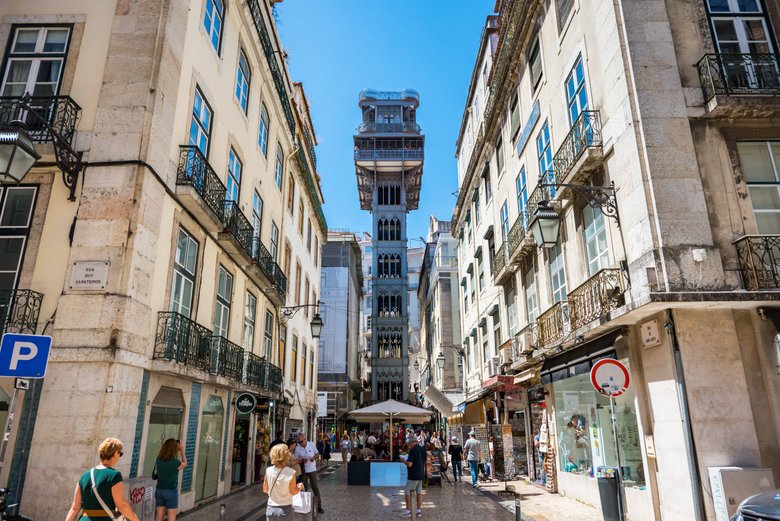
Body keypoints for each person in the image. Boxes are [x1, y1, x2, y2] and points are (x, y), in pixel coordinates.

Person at [65, 437, 141, 521]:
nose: (119, 457)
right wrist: (135, 519)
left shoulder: (84, 476)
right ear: (115, 453)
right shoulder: (114, 475)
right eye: (120, 454)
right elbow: (121, 505)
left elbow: (75, 508)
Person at [264, 443, 304, 519]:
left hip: (270, 509)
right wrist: (299, 487)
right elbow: (293, 492)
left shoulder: (268, 470)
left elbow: (265, 489)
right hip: (285, 509)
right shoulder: (291, 472)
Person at [154, 438, 187, 521]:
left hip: (159, 490)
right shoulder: (175, 462)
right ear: (175, 449)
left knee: (159, 516)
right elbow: (185, 464)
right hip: (171, 492)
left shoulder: (159, 460)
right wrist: (182, 450)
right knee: (171, 518)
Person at [294, 433, 325, 514]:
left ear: (305, 439)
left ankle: (319, 506)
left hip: (312, 469)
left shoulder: (311, 444)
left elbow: (317, 454)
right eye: (299, 442)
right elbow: (296, 460)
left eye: (302, 441)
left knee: (315, 487)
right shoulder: (297, 448)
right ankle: (304, 507)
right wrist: (301, 460)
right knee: (303, 488)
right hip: (303, 470)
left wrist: (313, 458)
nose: (301, 443)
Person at [399, 436, 426, 518]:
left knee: (407, 492)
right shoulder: (422, 449)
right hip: (421, 474)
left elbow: (410, 464)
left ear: (412, 443)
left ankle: (407, 511)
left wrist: (403, 460)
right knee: (419, 493)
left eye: (409, 444)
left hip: (413, 475)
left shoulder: (413, 450)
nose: (409, 445)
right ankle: (418, 510)